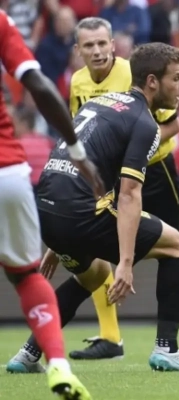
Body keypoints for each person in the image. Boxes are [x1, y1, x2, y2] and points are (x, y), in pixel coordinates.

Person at [6, 43, 179, 374]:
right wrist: (126, 264)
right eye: (176, 78)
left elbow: (76, 168)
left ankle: (28, 354)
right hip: (75, 214)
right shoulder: (144, 124)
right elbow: (129, 195)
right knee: (176, 245)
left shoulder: (100, 104)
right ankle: (167, 349)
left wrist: (56, 244)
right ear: (152, 82)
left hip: (46, 210)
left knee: (94, 274)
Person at [65, 17, 179, 361]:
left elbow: (173, 125)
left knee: (172, 250)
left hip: (153, 173)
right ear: (78, 50)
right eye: (89, 45)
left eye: (102, 43)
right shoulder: (77, 82)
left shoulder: (135, 74)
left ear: (113, 45)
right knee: (97, 250)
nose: (97, 51)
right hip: (110, 177)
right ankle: (111, 338)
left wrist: (134, 151)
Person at [0, 9, 96, 399]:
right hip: (7, 171)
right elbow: (38, 84)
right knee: (26, 276)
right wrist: (77, 149)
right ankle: (57, 362)